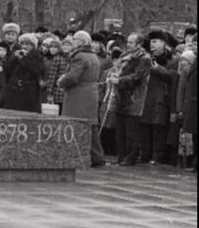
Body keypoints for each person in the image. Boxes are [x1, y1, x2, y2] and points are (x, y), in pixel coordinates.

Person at [58, 30, 105, 167]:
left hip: (79, 95)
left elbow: (73, 77)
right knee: (91, 126)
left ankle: (74, 155)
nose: (72, 41)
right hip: (90, 93)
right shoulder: (92, 56)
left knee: (75, 124)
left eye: (74, 39)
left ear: (81, 42)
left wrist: (61, 81)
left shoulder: (79, 57)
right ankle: (97, 157)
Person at [107, 33, 151, 166]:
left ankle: (130, 156)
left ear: (139, 44)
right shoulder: (124, 56)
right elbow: (117, 69)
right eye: (128, 42)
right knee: (120, 130)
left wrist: (119, 80)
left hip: (134, 98)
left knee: (131, 130)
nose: (129, 45)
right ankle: (120, 155)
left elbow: (137, 77)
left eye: (132, 42)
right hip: (120, 96)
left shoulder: (144, 59)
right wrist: (114, 75)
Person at [139, 30, 178, 165]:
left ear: (163, 43)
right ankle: (144, 154)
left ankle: (157, 156)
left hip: (161, 99)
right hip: (146, 97)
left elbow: (174, 77)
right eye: (151, 42)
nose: (152, 45)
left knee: (158, 130)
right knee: (144, 128)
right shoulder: (146, 58)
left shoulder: (172, 60)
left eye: (155, 42)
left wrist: (158, 69)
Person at [0, 33, 44, 112]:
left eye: (27, 44)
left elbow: (36, 70)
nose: (24, 46)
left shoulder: (37, 56)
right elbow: (7, 69)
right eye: (22, 44)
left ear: (33, 46)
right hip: (14, 91)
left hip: (29, 93)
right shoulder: (16, 54)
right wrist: (14, 58)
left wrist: (23, 59)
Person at [175, 50, 197, 171]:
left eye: (186, 60)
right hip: (190, 107)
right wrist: (180, 109)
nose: (183, 62)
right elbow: (181, 90)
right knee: (193, 136)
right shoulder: (185, 72)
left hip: (192, 106)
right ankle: (193, 164)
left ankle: (193, 163)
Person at [41, 37, 68, 114]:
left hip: (56, 90)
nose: (52, 49)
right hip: (62, 90)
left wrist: (49, 92)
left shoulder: (57, 58)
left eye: (55, 47)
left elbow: (52, 76)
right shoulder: (64, 57)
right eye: (51, 47)